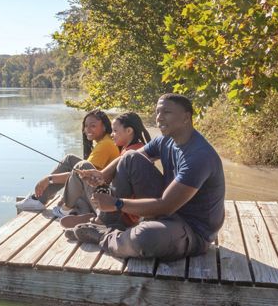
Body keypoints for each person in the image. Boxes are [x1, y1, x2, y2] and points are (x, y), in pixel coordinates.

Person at [75, 94, 225, 261]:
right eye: (157, 112)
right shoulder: (165, 140)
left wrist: (117, 204)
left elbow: (165, 206)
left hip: (192, 230)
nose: (159, 118)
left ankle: (106, 236)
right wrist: (103, 175)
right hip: (168, 211)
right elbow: (126, 158)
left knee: (145, 237)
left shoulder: (199, 156)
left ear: (186, 117)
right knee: (130, 157)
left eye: (166, 112)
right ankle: (107, 223)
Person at [16, 109, 119, 216]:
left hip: (100, 195)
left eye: (93, 126)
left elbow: (82, 176)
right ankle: (42, 197)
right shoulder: (106, 141)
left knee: (80, 167)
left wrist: (49, 179)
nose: (88, 129)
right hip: (99, 188)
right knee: (70, 159)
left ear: (104, 127)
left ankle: (43, 199)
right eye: (86, 126)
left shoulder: (105, 145)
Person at [59, 112, 151, 229]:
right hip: (119, 207)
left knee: (83, 166)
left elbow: (126, 190)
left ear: (129, 131)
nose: (112, 135)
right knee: (79, 174)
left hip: (123, 213)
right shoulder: (130, 149)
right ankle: (87, 213)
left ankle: (78, 213)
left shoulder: (132, 154)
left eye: (115, 131)